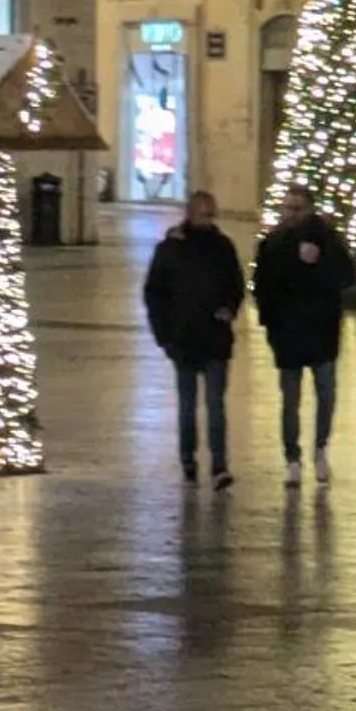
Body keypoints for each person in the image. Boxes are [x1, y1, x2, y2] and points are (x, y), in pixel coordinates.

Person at [255, 183, 356, 487]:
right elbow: (262, 287)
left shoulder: (328, 240)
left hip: (322, 331)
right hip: (288, 334)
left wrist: (320, 262)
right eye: (288, 208)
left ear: (309, 210)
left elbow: (347, 275)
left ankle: (321, 449)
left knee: (326, 394)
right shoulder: (273, 243)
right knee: (290, 399)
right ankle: (292, 458)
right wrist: (271, 326)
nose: (292, 214)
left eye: (298, 208)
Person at [142, 189, 246, 489]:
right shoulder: (171, 249)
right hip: (184, 340)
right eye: (204, 214)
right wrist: (164, 336)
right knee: (188, 407)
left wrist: (230, 308)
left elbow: (236, 285)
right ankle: (188, 460)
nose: (209, 219)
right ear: (190, 213)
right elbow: (154, 293)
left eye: (212, 214)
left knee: (216, 406)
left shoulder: (223, 246)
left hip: (215, 339)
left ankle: (219, 466)